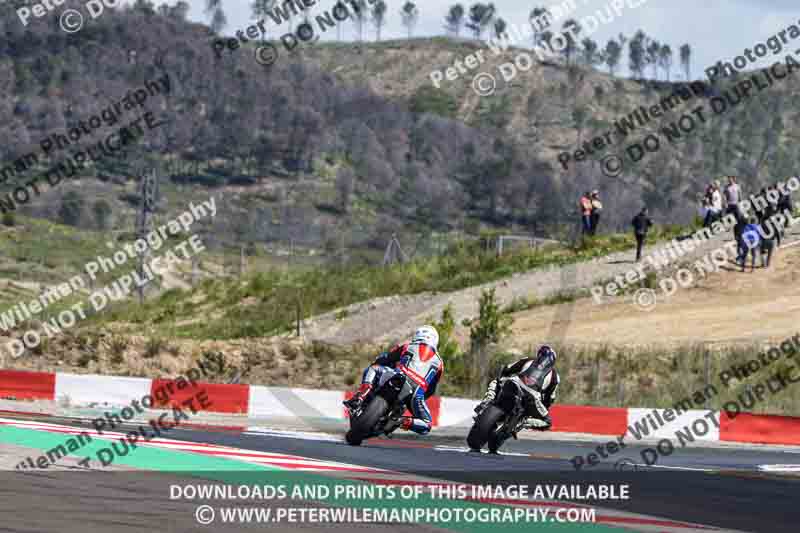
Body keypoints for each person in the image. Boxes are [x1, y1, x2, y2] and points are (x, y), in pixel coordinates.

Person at [343, 325, 443, 435]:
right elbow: (431, 389)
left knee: (373, 369)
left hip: (398, 375)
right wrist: (417, 400)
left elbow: (386, 358)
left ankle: (359, 397)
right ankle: (401, 421)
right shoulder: (440, 364)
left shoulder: (408, 346)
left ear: (417, 336)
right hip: (416, 392)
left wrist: (378, 363)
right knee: (427, 425)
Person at [473, 345, 560, 434]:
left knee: (495, 382)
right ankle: (523, 422)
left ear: (539, 354)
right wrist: (543, 408)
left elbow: (508, 368)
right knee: (547, 422)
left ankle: (486, 402)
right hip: (532, 397)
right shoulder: (555, 376)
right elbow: (550, 398)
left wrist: (502, 377)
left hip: (514, 384)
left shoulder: (528, 360)